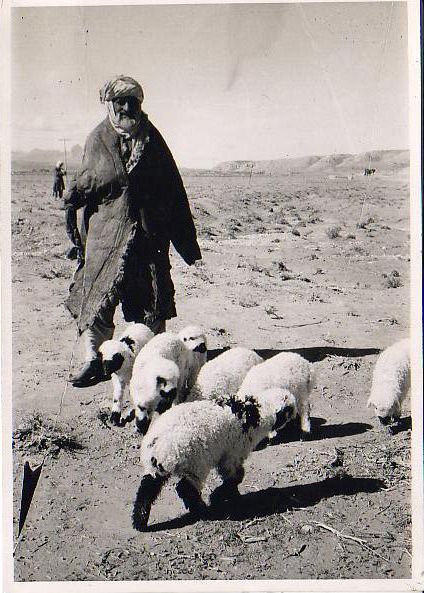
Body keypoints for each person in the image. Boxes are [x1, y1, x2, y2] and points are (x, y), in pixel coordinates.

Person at [64, 75, 202, 387]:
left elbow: (174, 190)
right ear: (109, 104)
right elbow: (82, 187)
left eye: (133, 101)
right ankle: (94, 360)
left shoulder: (153, 140)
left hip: (148, 235)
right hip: (105, 237)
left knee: (152, 301)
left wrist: (187, 244)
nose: (127, 107)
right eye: (120, 101)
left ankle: (151, 361)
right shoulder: (96, 139)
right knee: (97, 300)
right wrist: (75, 231)